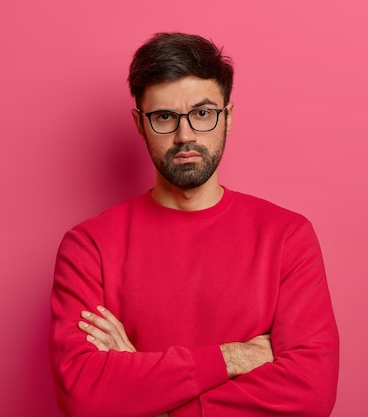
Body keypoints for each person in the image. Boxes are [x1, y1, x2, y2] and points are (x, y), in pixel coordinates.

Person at [50, 32, 339, 417]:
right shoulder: (88, 247)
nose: (185, 136)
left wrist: (153, 399)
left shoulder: (287, 237)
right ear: (139, 124)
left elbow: (311, 393)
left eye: (202, 113)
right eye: (164, 117)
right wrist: (232, 358)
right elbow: (83, 396)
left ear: (228, 117)